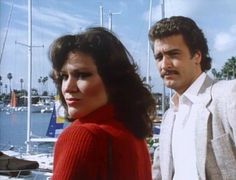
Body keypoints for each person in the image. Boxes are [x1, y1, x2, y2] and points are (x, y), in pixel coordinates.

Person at [48, 27, 156, 180]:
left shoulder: (83, 135)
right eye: (64, 77)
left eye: (82, 75)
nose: (68, 87)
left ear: (112, 81)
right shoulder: (133, 134)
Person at [148, 16, 236, 180]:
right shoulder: (168, 117)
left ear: (197, 56)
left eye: (173, 54)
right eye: (159, 57)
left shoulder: (228, 95)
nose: (164, 65)